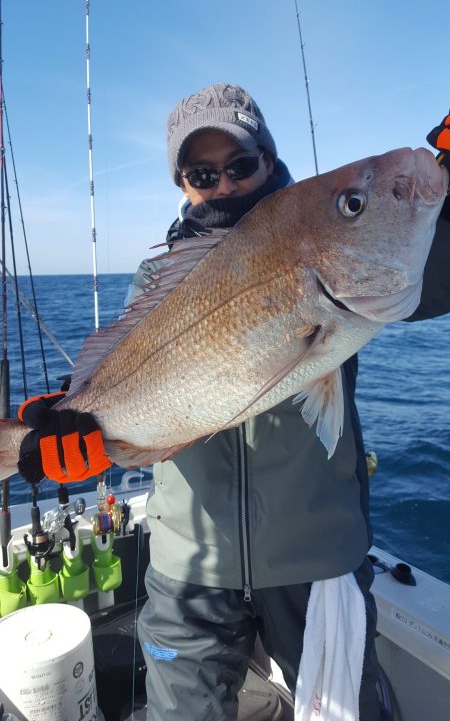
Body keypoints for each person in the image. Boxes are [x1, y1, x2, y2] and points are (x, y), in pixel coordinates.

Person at [18, 85, 450, 721]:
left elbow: (429, 263)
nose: (222, 185)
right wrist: (72, 426)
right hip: (186, 571)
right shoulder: (157, 276)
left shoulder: (317, 234)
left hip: (317, 560)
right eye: (201, 174)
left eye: (240, 165)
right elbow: (132, 383)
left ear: (268, 162)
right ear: (183, 185)